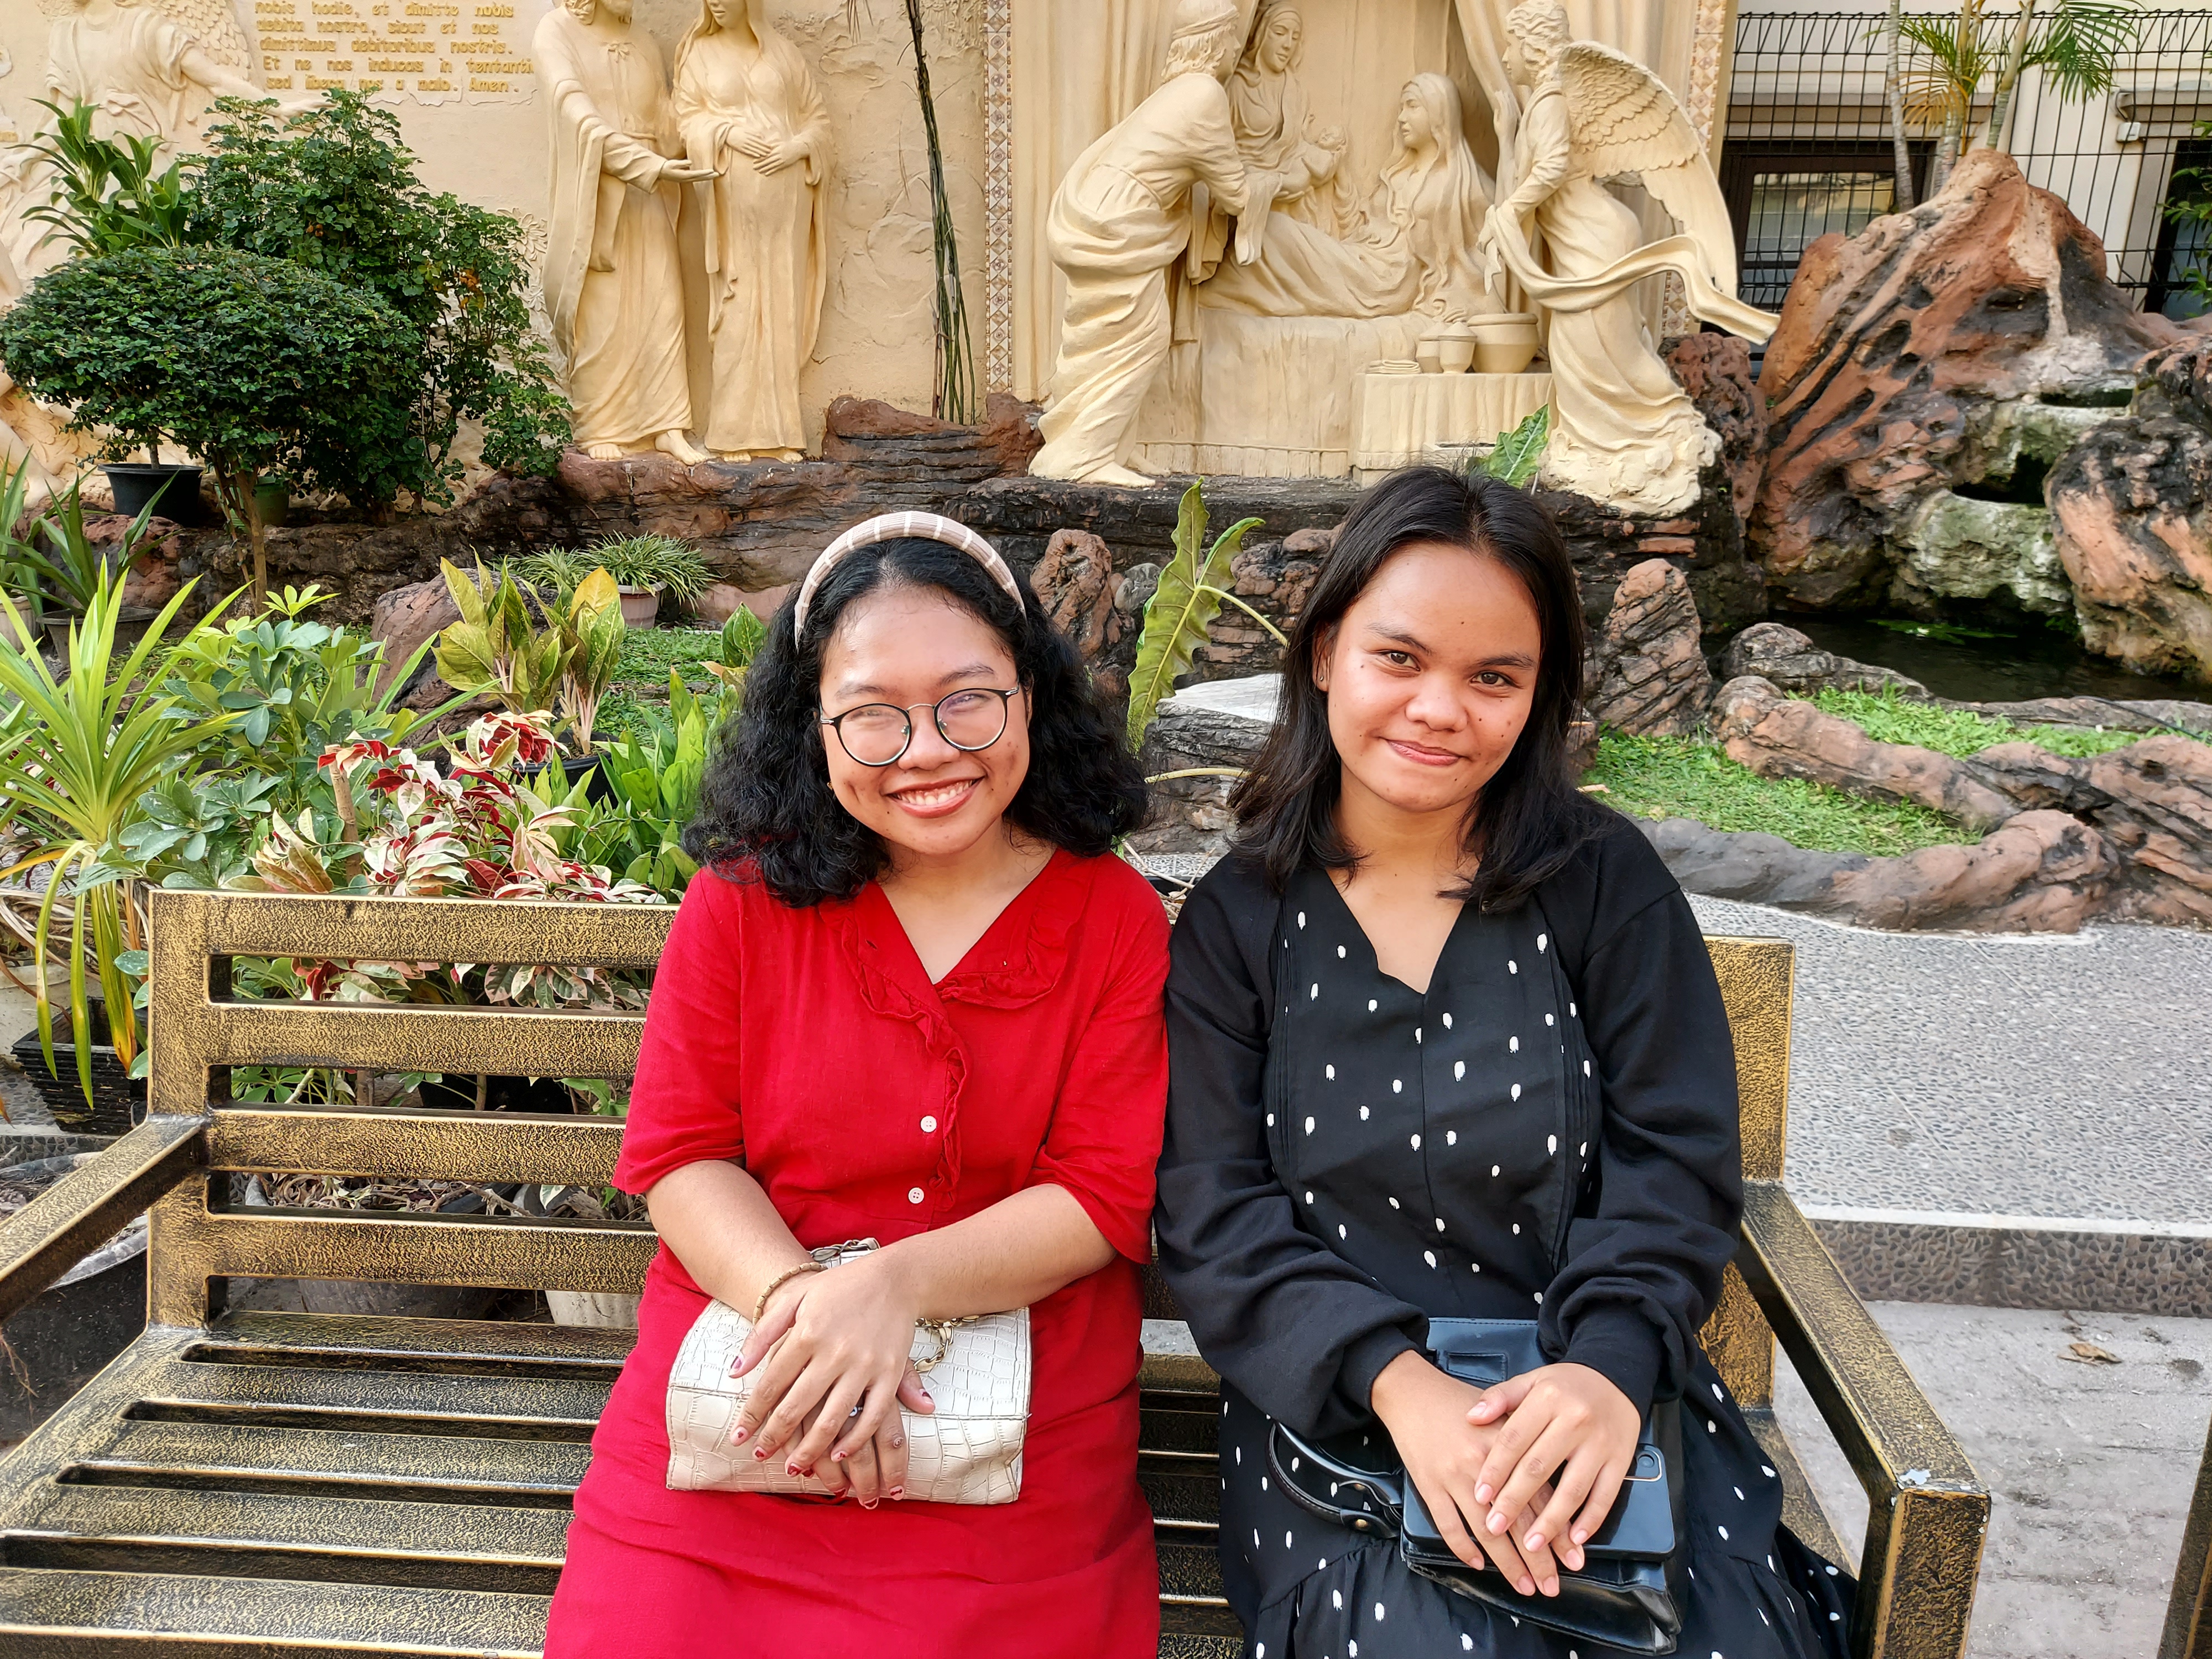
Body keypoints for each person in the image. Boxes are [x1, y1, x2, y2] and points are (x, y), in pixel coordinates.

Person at [1154, 467, 1855, 1657]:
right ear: (1324, 653)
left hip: (1594, 1385)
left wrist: (1605, 1373)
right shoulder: (1238, 922)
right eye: (1399, 658)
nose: (1439, 709)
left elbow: (1671, 1162)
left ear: (1538, 698)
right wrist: (1399, 1387)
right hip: (1340, 1410)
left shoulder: (1601, 885)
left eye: (1493, 678)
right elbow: (1211, 1208)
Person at [545, 511, 1170, 1658]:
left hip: (1017, 1433)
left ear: (1029, 693)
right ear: (815, 730)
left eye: (967, 701)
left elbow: (1102, 1190)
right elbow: (682, 1160)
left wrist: (894, 1293)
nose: (925, 750)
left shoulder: (1111, 919)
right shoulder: (738, 904)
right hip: (744, 1397)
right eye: (871, 716)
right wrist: (815, 1327)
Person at [1029, 0, 1252, 488]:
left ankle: (1106, 447)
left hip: (1102, 208)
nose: (1236, 48)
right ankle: (1082, 457)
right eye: (1232, 37)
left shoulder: (1176, 92)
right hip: (1121, 221)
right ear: (1213, 40)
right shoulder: (1205, 94)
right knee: (1141, 337)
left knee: (1107, 337)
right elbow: (1235, 190)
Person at [536, 0, 714, 465]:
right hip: (600, 195)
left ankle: (668, 424)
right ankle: (602, 424)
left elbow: (665, 117)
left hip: (654, 191)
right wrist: (644, 164)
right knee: (604, 313)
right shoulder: (555, 32)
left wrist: (708, 117)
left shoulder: (643, 43)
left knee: (663, 304)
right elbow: (577, 116)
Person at [1201, 72, 1495, 324]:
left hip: (1385, 283)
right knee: (1269, 232)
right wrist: (1339, 172)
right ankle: (1215, 296)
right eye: (1402, 108)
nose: (1402, 118)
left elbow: (1491, 246)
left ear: (1439, 114)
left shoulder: (1461, 183)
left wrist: (1505, 144)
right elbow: (1356, 227)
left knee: (1274, 233)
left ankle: (1216, 295)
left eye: (1412, 107)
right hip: (1359, 261)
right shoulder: (1396, 175)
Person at [672, 0, 831, 463]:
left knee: (781, 304)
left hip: (786, 201)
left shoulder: (784, 54)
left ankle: (782, 433)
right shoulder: (698, 54)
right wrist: (725, 134)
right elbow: (685, 120)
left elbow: (818, 122)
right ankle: (732, 433)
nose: (717, 3)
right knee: (738, 306)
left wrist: (795, 146)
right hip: (731, 198)